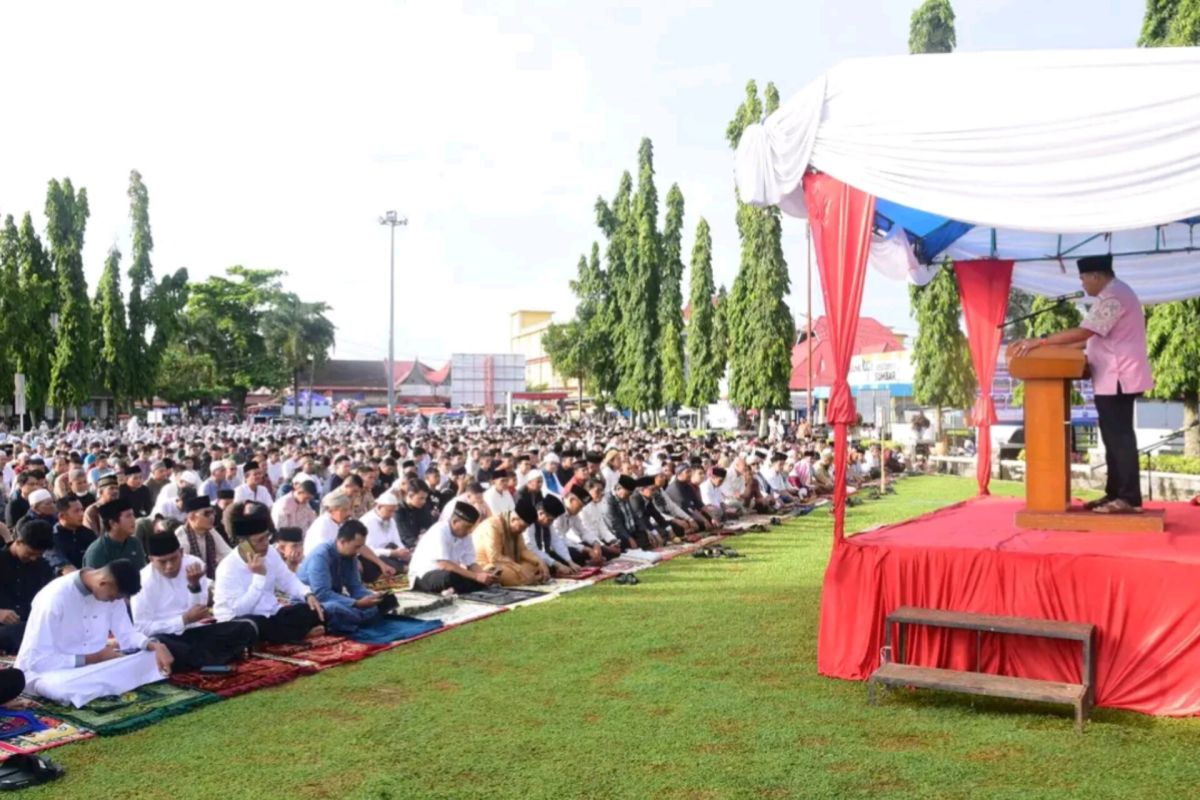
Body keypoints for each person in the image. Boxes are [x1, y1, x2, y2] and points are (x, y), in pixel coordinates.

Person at [1013, 254, 1153, 514]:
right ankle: (1114, 494)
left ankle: (1129, 498)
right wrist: (1048, 345)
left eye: (1084, 279)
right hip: (1112, 377)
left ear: (1097, 276)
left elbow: (1084, 333)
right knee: (1112, 438)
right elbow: (1089, 340)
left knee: (1119, 438)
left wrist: (1041, 341)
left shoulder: (1113, 297)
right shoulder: (1113, 294)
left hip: (1119, 377)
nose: (1083, 285)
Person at [16, 559, 175, 708]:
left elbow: (127, 634)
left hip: (98, 666)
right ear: (103, 583)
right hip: (53, 672)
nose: (114, 601)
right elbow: (37, 661)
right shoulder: (53, 598)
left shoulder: (111, 592)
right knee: (61, 688)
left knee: (152, 657)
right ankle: (106, 684)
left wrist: (153, 645)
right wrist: (93, 658)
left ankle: (101, 686)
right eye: (113, 597)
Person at [130, 532, 258, 671]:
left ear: (181, 552)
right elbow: (142, 628)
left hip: (195, 632)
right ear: (151, 560)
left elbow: (199, 612)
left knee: (247, 626)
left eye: (174, 559)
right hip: (168, 639)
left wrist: (194, 586)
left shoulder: (194, 565)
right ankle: (214, 658)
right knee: (160, 645)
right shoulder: (142, 582)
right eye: (162, 562)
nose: (169, 566)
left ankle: (202, 661)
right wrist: (182, 620)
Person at [212, 508, 325, 644]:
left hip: (271, 614)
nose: (266, 542)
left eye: (267, 536)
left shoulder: (270, 552)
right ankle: (296, 634)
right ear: (243, 543)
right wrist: (259, 576)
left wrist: (307, 594)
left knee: (309, 609)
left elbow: (287, 579)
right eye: (260, 540)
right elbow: (240, 609)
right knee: (251, 627)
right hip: (239, 619)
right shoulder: (227, 568)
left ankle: (290, 635)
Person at [296, 520, 385, 635]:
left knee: (372, 606)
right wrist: (356, 603)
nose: (358, 552)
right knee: (334, 608)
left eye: (360, 547)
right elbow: (321, 594)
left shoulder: (350, 555)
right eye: (356, 547)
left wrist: (370, 597)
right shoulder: (321, 555)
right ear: (342, 542)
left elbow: (355, 586)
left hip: (335, 598)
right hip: (312, 602)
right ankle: (356, 619)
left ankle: (351, 621)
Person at [305, 491, 395, 580]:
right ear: (331, 510)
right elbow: (325, 555)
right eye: (344, 510)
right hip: (322, 566)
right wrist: (353, 562)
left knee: (372, 563)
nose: (349, 513)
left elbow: (360, 546)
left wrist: (381, 564)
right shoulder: (323, 524)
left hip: (339, 560)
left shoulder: (340, 522)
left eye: (349, 509)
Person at [409, 501, 493, 594]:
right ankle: (459, 589)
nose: (469, 531)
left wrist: (483, 575)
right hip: (424, 575)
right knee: (450, 577)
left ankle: (455, 589)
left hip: (450, 573)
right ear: (455, 522)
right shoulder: (440, 530)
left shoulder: (465, 536)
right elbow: (444, 565)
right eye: (467, 527)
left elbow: (471, 563)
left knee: (469, 578)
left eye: (471, 528)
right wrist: (476, 577)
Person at [0, 520, 56, 654]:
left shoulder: (43, 567)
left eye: (38, 555)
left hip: (32, 627)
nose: (33, 559)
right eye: (30, 553)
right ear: (18, 542)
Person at [472, 507, 547, 586]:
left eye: (525, 528)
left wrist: (539, 561)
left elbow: (522, 550)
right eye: (523, 527)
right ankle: (526, 580)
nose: (523, 530)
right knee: (507, 574)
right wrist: (519, 569)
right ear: (514, 519)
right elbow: (495, 558)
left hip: (508, 564)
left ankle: (528, 579)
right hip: (486, 565)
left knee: (533, 566)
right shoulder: (492, 526)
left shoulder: (516, 528)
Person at [518, 494, 579, 576]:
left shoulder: (548, 524)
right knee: (550, 566)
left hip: (542, 554)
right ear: (540, 513)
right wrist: (557, 564)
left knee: (572, 558)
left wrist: (570, 562)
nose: (551, 523)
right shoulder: (530, 523)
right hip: (529, 557)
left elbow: (556, 542)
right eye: (550, 520)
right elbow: (531, 549)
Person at [175, 494, 231, 580]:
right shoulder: (182, 536)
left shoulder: (211, 532)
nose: (212, 517)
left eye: (212, 513)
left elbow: (227, 554)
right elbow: (183, 570)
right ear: (192, 517)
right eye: (207, 514)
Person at [83, 497, 146, 570]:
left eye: (133, 515)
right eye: (128, 516)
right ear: (113, 523)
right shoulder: (97, 551)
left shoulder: (135, 543)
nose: (133, 520)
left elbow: (142, 573)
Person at [359, 491, 409, 581]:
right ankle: (405, 570)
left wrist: (403, 551)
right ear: (379, 507)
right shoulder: (367, 522)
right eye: (389, 511)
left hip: (391, 552)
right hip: (373, 558)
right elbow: (369, 550)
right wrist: (392, 553)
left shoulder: (391, 520)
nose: (392, 515)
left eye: (394, 511)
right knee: (381, 558)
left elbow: (397, 541)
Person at [47, 496, 96, 576]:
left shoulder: (88, 533)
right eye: (76, 511)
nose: (82, 514)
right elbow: (59, 562)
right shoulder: (52, 537)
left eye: (82, 510)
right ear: (62, 516)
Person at [601, 475, 652, 551]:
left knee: (648, 538)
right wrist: (629, 538)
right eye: (628, 494)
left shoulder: (626, 497)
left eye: (630, 494)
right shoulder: (608, 500)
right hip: (619, 533)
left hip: (631, 530)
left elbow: (635, 516)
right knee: (627, 543)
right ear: (618, 488)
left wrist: (647, 531)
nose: (629, 497)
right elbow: (615, 524)